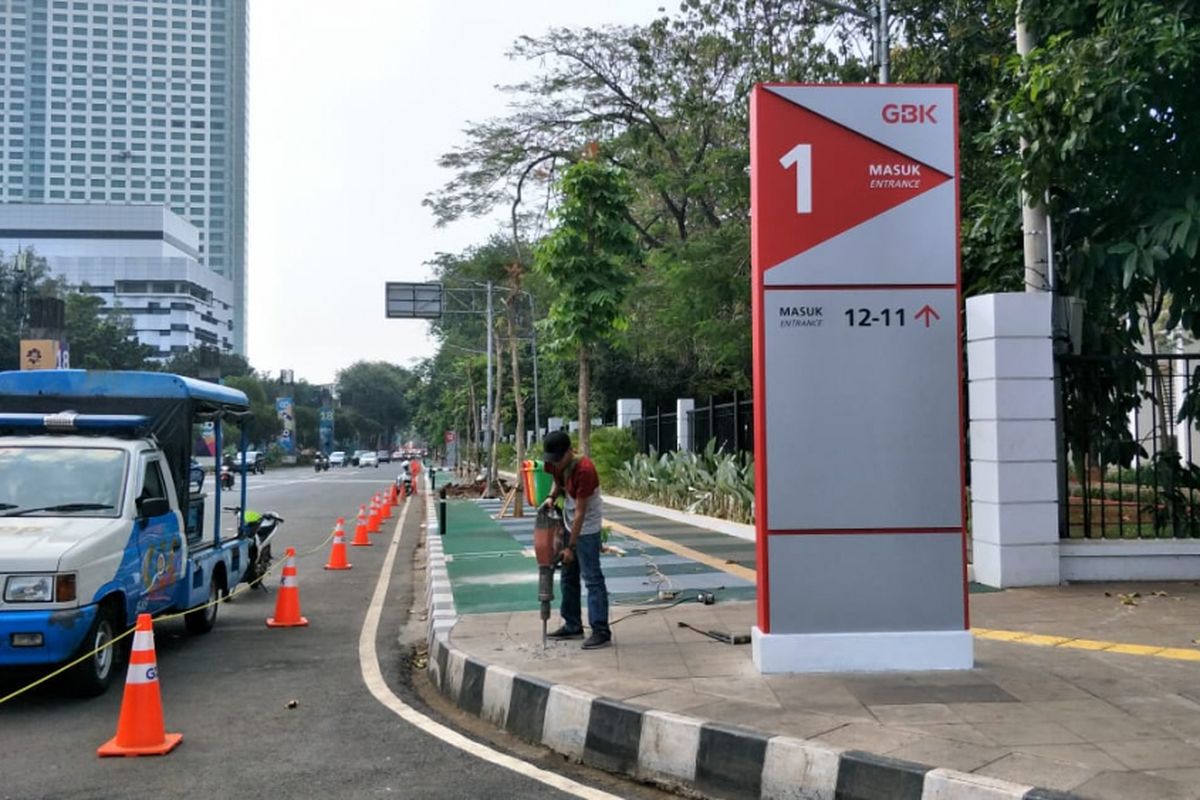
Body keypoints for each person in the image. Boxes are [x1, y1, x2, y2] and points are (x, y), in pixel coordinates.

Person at [539, 430, 611, 650]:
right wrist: (551, 497)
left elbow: (581, 512)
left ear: (569, 452)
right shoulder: (554, 462)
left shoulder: (585, 470)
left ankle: (600, 630)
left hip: (586, 527)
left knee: (591, 578)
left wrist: (570, 546)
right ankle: (572, 624)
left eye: (559, 460)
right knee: (568, 576)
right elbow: (556, 481)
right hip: (570, 522)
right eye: (553, 461)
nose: (556, 465)